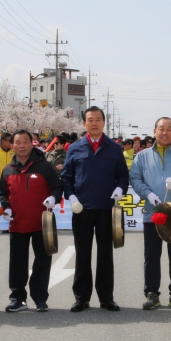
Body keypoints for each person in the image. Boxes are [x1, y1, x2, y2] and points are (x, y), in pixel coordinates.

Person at [61, 106, 130, 312]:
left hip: (105, 207)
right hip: (81, 208)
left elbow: (123, 176)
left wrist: (119, 189)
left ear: (103, 123)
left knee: (105, 253)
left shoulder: (114, 148)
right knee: (82, 253)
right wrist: (72, 197)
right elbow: (66, 177)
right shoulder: (75, 148)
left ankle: (106, 297)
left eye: (98, 119)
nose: (94, 123)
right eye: (90, 120)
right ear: (84, 123)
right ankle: (81, 297)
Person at [130, 117, 171, 310]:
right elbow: (134, 178)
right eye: (161, 129)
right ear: (154, 131)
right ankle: (151, 293)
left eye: (169, 129)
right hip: (153, 213)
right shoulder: (142, 156)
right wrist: (147, 194)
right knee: (152, 255)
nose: (165, 132)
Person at [0, 130, 62, 312]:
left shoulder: (44, 166)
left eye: (26, 141)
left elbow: (57, 187)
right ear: (13, 146)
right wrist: (6, 207)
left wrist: (53, 198)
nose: (22, 145)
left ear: (32, 144)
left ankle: (40, 298)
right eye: (18, 142)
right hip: (17, 223)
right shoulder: (8, 169)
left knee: (42, 261)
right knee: (17, 262)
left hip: (42, 223)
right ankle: (17, 298)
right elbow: (3, 193)